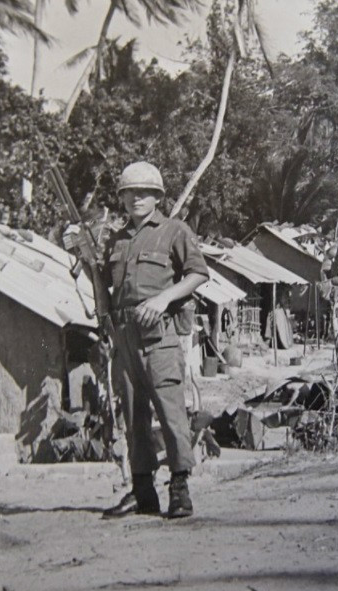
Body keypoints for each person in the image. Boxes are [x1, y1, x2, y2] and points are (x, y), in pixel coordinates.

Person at [84, 161, 208, 519]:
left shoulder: (174, 231)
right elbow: (103, 286)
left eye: (144, 192)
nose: (136, 198)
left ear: (157, 196)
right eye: (129, 193)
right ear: (121, 198)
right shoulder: (116, 239)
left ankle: (180, 488)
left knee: (171, 413)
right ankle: (142, 493)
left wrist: (163, 298)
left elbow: (198, 273)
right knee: (132, 416)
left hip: (159, 337)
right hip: (124, 336)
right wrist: (87, 260)